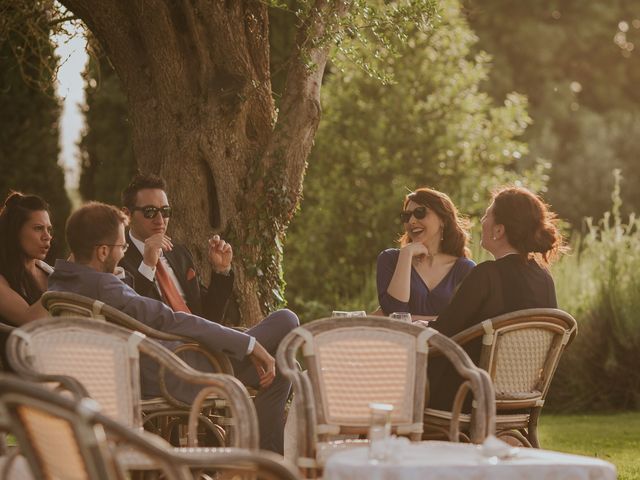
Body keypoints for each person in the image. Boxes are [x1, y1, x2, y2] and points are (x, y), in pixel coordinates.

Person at [48, 202, 299, 454]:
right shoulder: (105, 288)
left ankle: (265, 459)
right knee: (286, 319)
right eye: (121, 246)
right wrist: (250, 345)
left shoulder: (62, 282)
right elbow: (170, 319)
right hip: (180, 369)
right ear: (102, 252)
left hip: (164, 363)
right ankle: (267, 460)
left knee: (282, 365)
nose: (123, 253)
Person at [427, 186, 565, 410]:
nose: (481, 220)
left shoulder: (486, 274)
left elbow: (443, 332)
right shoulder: (544, 278)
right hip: (521, 394)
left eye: (486, 214)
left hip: (468, 394)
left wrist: (415, 327)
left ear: (499, 230)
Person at [118, 174, 232, 322]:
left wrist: (221, 270)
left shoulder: (179, 253)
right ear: (127, 214)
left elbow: (210, 315)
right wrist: (148, 265)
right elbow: (128, 311)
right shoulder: (118, 257)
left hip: (201, 337)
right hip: (161, 341)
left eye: (165, 211)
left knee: (272, 323)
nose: (160, 220)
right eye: (150, 212)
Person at [376, 187, 475, 317]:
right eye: (406, 216)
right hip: (401, 337)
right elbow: (395, 311)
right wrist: (406, 254)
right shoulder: (390, 259)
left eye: (420, 213)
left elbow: (466, 320)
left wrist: (415, 320)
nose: (411, 221)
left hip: (443, 338)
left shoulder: (465, 269)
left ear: (443, 220)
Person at [0, 192, 51, 370]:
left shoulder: (47, 271)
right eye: (38, 228)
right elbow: (31, 318)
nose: (47, 236)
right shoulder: (2, 279)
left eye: (48, 229)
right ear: (15, 232)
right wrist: (71, 275)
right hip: (21, 379)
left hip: (57, 361)